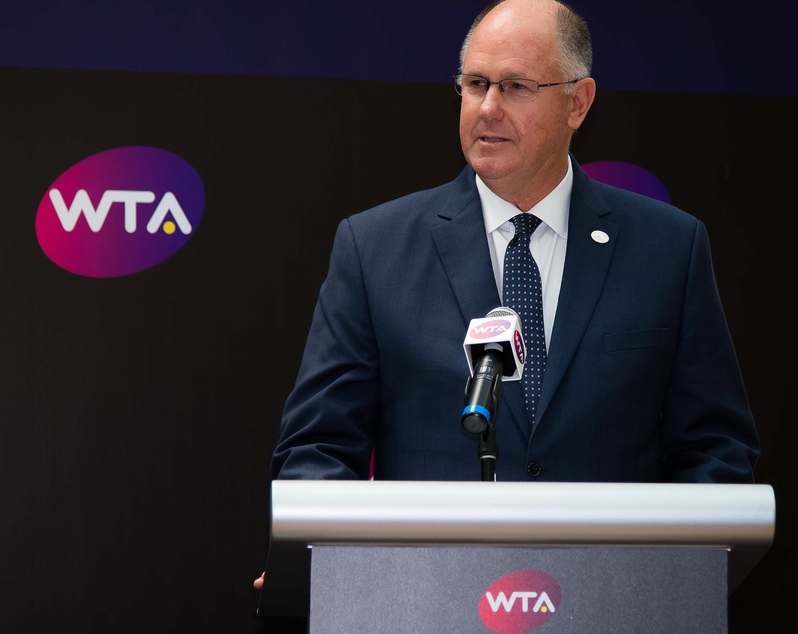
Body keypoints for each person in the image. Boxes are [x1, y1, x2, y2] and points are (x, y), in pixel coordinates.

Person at [270, 0, 759, 502]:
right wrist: (317, 566)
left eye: (516, 87)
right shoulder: (373, 249)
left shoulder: (668, 248)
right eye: (476, 84)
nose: (487, 108)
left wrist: (673, 572)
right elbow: (318, 449)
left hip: (610, 579)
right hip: (430, 578)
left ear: (578, 103)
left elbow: (715, 449)